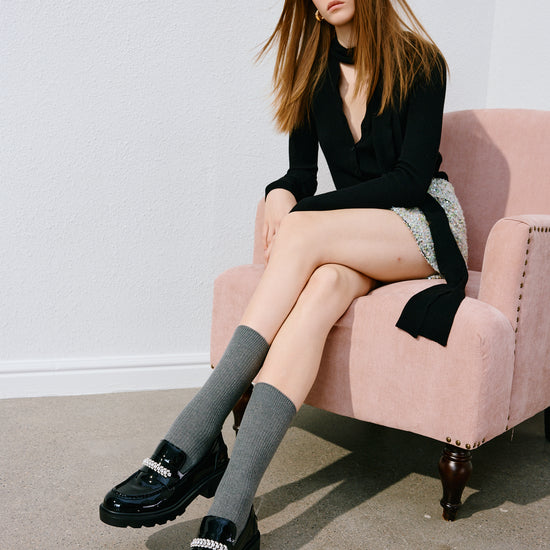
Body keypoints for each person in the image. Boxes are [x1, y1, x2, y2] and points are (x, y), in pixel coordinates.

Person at [99, 0, 468, 548]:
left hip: (422, 224)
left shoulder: (420, 61)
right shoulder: (312, 72)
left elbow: (411, 179)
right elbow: (302, 173)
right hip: (356, 234)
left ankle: (191, 437)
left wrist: (306, 215)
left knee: (303, 230)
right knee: (322, 290)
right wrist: (280, 192)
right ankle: (232, 508)